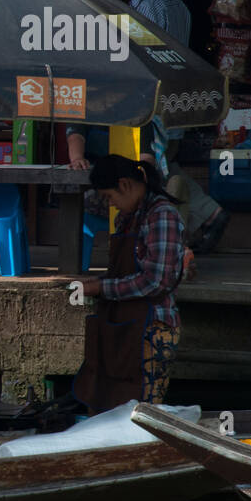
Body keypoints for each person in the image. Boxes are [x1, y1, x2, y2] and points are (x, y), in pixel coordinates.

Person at [69, 0, 229, 253]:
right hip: (177, 103)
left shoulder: (142, 8)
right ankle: (210, 214)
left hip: (152, 105)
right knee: (167, 166)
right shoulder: (178, 5)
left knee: (157, 172)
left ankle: (188, 226)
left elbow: (138, 60)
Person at [73, 155, 186, 411]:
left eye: (109, 196)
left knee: (142, 414)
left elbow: (155, 281)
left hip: (152, 328)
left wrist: (101, 287)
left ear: (124, 185)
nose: (110, 203)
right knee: (110, 406)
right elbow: (122, 273)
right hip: (122, 325)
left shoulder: (162, 216)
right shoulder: (126, 218)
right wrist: (96, 283)